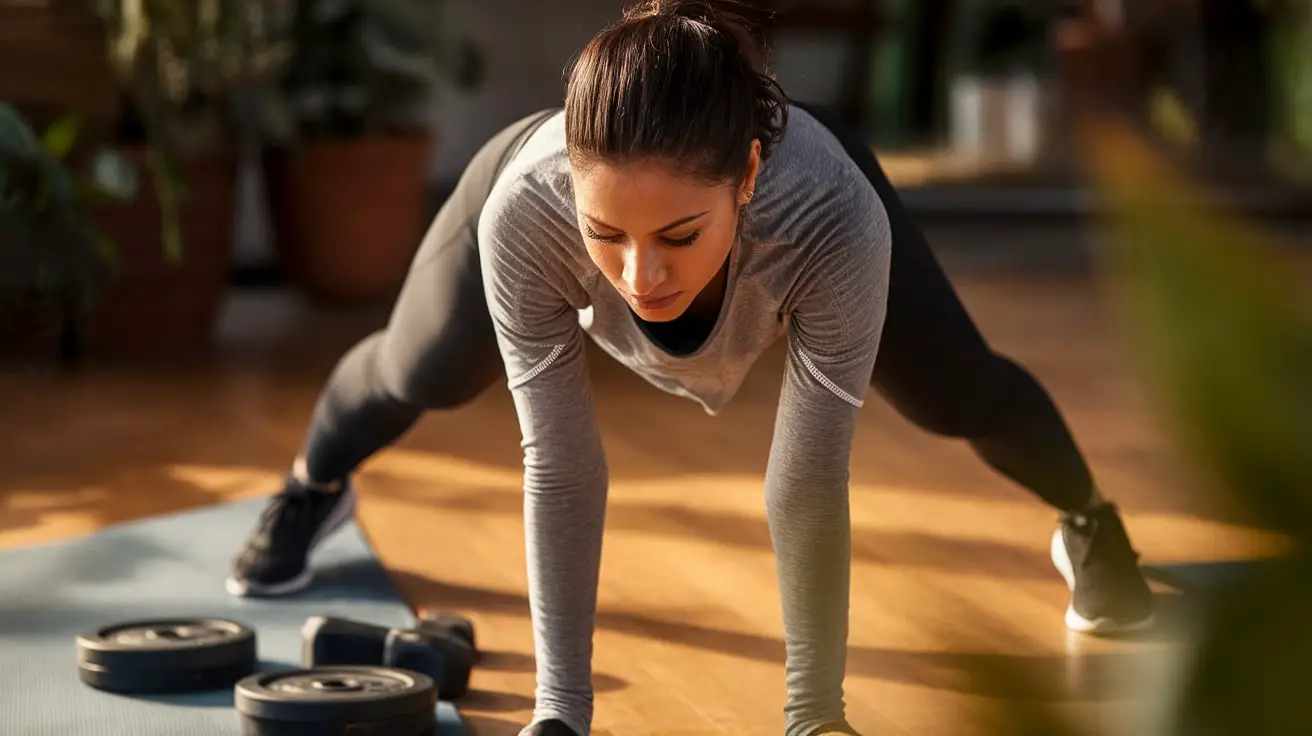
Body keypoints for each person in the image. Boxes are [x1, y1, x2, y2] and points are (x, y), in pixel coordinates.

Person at [226, 1, 1154, 734]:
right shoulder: (531, 213)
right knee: (414, 370)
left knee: (959, 389)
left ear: (747, 178)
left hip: (805, 203)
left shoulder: (829, 215)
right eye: (608, 236)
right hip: (519, 196)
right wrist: (559, 714)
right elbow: (562, 462)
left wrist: (815, 718)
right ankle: (314, 485)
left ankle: (1090, 523)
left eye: (677, 236)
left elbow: (806, 474)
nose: (640, 275)